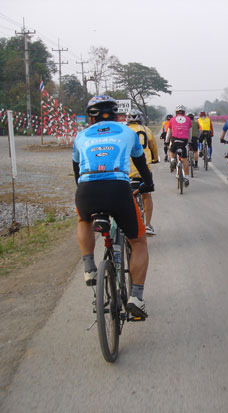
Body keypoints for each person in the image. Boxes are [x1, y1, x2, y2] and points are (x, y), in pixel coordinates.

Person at [73, 95, 154, 318]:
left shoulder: (80, 136)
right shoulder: (127, 132)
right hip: (118, 189)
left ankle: (89, 267)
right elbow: (141, 165)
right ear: (117, 115)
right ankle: (136, 298)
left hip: (87, 189)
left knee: (83, 219)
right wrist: (149, 184)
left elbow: (77, 171)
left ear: (90, 118)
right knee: (138, 241)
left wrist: (84, 195)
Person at [127, 108, 159, 235]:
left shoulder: (124, 131)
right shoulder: (147, 130)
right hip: (144, 168)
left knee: (126, 196)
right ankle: (148, 225)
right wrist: (155, 159)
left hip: (128, 169)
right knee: (147, 195)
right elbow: (153, 146)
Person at [167, 105, 192, 187]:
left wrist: (166, 141)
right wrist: (189, 141)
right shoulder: (188, 119)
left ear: (176, 112)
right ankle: (187, 178)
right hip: (184, 141)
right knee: (184, 160)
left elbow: (169, 132)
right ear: (184, 112)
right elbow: (190, 133)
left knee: (171, 150)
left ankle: (173, 160)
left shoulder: (172, 119)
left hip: (175, 140)